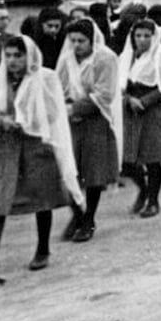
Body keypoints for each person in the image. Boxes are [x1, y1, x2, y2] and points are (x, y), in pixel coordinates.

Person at [0, 36, 82, 284]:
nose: (12, 61)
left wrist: (27, 119)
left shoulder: (46, 78)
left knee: (41, 199)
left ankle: (42, 249)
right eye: (8, 55)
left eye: (18, 56)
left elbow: (54, 113)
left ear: (29, 55)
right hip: (5, 148)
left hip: (36, 146)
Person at [54, 19, 122, 243]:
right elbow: (59, 87)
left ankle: (89, 219)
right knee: (69, 169)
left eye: (81, 41)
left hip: (96, 119)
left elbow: (104, 94)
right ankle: (78, 214)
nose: (76, 45)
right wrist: (64, 107)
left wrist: (74, 107)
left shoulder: (106, 58)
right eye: (72, 40)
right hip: (70, 121)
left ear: (92, 39)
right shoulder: (66, 59)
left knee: (93, 172)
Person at [117, 19, 161, 218]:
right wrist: (128, 99)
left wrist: (144, 101)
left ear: (154, 37)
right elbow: (118, 85)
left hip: (153, 109)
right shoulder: (126, 57)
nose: (142, 40)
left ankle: (152, 200)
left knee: (151, 159)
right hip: (130, 109)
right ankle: (143, 189)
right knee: (128, 161)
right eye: (138, 36)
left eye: (147, 36)